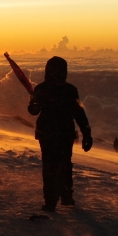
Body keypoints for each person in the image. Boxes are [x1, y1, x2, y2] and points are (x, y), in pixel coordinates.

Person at [26, 56, 92, 211]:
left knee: (53, 165)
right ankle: (60, 197)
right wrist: (86, 133)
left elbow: (34, 111)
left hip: (51, 133)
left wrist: (87, 133)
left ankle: (57, 198)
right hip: (60, 133)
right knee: (62, 164)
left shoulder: (44, 89)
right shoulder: (67, 90)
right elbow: (79, 114)